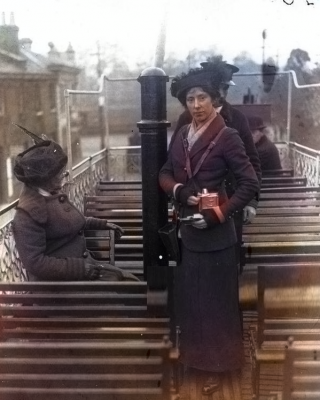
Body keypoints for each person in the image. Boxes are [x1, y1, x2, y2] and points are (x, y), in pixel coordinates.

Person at [159, 67, 259, 395]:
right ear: (185, 103)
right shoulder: (182, 131)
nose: (197, 104)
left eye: (203, 97)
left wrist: (217, 215)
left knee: (219, 307)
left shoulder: (227, 134)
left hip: (217, 238)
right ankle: (197, 365)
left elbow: (249, 183)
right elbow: (164, 172)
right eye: (190, 98)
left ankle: (221, 369)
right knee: (194, 304)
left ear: (215, 100)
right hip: (189, 235)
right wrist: (179, 192)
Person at [12, 125, 138, 282]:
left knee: (131, 282)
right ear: (45, 178)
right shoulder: (28, 213)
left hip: (83, 272)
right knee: (130, 290)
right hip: (61, 287)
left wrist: (101, 224)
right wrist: (80, 269)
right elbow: (35, 263)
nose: (64, 177)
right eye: (60, 175)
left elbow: (69, 223)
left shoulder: (51, 195)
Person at [169, 56, 261, 269]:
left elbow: (253, 164)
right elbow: (174, 159)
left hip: (228, 201)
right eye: (220, 86)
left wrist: (252, 202)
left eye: (226, 88)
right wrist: (177, 191)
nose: (223, 92)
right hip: (194, 201)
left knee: (227, 257)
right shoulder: (186, 119)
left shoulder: (237, 118)